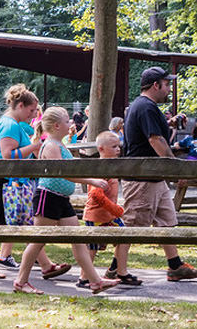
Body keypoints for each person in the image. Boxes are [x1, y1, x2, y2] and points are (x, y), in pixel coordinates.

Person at [112, 66, 197, 282]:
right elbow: (155, 140)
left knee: (167, 221)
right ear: (156, 85)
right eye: (167, 84)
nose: (169, 89)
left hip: (154, 177)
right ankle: (116, 270)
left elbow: (153, 132)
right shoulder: (146, 107)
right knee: (133, 226)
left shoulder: (146, 106)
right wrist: (175, 170)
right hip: (142, 178)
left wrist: (169, 123)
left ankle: (175, 266)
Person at [11, 108, 119, 295]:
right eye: (68, 121)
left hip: (62, 199)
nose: (71, 124)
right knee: (38, 241)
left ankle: (94, 281)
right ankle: (21, 282)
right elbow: (65, 174)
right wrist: (91, 181)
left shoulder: (60, 145)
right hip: (48, 197)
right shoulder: (51, 146)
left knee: (77, 239)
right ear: (57, 126)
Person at [0, 84, 67, 280]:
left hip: (8, 180)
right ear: (21, 105)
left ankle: (46, 265)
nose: (33, 115)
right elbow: (8, 154)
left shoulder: (12, 124)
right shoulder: (10, 125)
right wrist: (34, 146)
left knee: (24, 221)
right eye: (31, 110)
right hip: (3, 180)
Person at [82, 130, 137, 285]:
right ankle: (84, 277)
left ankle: (121, 271)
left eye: (119, 146)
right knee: (92, 248)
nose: (118, 149)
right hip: (96, 216)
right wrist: (116, 210)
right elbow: (96, 195)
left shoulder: (111, 166)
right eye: (114, 146)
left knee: (125, 237)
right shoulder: (101, 168)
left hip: (108, 216)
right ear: (101, 149)